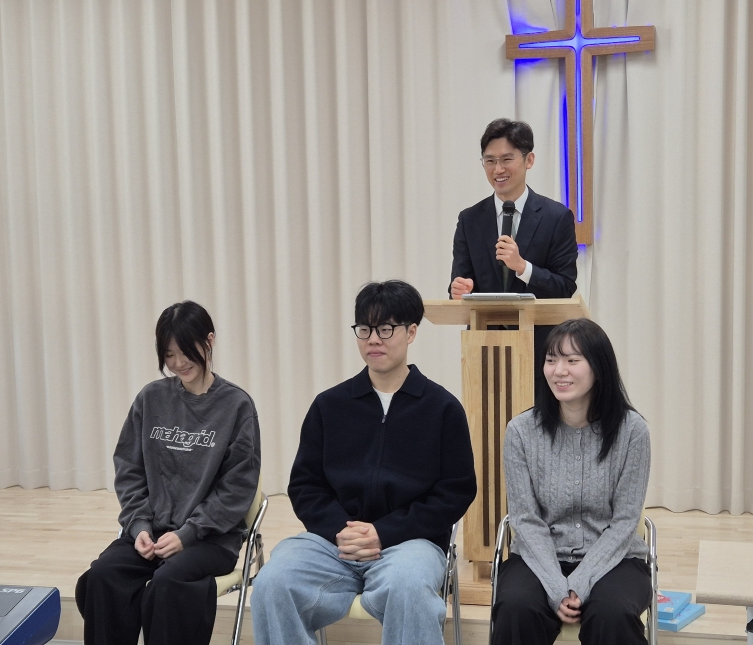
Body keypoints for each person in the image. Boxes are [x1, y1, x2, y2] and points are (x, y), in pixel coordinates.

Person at [251, 280, 477, 645]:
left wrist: (384, 532)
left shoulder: (442, 408)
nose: (374, 339)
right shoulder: (330, 405)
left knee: (409, 586)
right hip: (334, 543)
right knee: (273, 581)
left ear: (411, 332)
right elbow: (305, 485)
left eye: (386, 329)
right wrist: (341, 530)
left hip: (410, 544)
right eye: (365, 329)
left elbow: (456, 492)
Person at [75, 301, 261, 645]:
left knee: (168, 583)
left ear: (209, 341)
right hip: (153, 532)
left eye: (186, 352)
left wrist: (188, 534)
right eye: (169, 354)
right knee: (103, 575)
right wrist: (139, 527)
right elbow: (129, 470)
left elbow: (237, 489)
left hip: (209, 539)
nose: (178, 363)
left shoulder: (236, 405)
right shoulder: (151, 398)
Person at [492, 318, 651, 645]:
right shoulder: (520, 431)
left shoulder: (632, 431)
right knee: (516, 608)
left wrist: (580, 582)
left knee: (613, 613)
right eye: (551, 360)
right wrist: (557, 586)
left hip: (616, 558)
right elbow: (525, 519)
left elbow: (625, 521)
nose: (559, 371)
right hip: (538, 556)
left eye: (572, 360)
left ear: (599, 368)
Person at [449, 118, 578, 300]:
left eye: (506, 159)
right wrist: (459, 290)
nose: (498, 169)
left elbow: (565, 287)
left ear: (529, 160)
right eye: (490, 160)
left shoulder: (557, 217)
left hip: (537, 320)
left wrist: (522, 267)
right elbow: (460, 284)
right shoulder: (469, 220)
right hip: (485, 320)